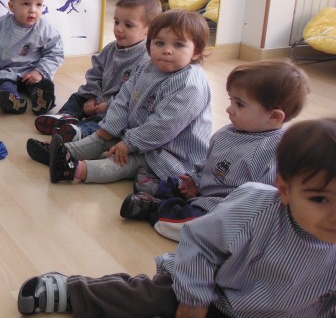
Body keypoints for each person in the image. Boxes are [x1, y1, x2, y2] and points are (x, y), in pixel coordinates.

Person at [17, 118, 336, 318]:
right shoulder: (255, 207)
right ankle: (75, 292)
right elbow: (200, 241)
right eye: (320, 199)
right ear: (285, 190)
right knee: (149, 297)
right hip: (212, 295)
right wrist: (195, 295)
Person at [121, 59, 311, 241]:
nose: (229, 109)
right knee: (177, 182)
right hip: (203, 191)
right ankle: (161, 190)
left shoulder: (274, 153)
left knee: (194, 224)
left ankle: (155, 208)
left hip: (223, 209)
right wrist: (194, 180)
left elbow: (260, 203)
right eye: (231, 100)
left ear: (275, 117)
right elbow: (207, 162)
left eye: (239, 104)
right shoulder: (230, 131)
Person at [28, 10, 211, 191]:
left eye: (178, 45)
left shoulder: (190, 85)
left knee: (126, 161)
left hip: (169, 153)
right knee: (103, 136)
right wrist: (110, 127)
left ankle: (73, 170)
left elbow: (163, 126)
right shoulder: (149, 66)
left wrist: (129, 144)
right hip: (139, 135)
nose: (167, 50)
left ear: (196, 51)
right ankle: (64, 152)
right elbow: (125, 97)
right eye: (159, 43)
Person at [33, 0, 161, 142]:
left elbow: (134, 94)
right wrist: (92, 96)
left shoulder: (146, 60)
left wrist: (108, 104)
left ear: (149, 30)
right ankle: (65, 117)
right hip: (97, 98)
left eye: (128, 25)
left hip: (116, 107)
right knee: (77, 97)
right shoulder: (110, 48)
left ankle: (80, 131)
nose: (119, 29)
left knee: (108, 120)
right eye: (116, 22)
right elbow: (95, 74)